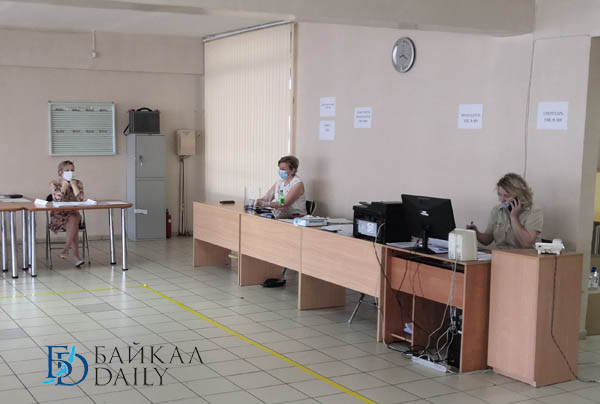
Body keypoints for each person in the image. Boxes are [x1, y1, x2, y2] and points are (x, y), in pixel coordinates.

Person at [467, 172, 543, 249]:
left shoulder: (534, 212)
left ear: (519, 196)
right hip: (500, 254)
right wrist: (476, 233)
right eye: (500, 195)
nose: (502, 200)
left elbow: (526, 244)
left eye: (507, 196)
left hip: (524, 256)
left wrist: (514, 217)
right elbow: (487, 240)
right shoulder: (497, 210)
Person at [50, 160, 85, 266]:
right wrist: (64, 185)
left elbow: (80, 199)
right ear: (60, 172)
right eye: (67, 170)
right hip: (59, 215)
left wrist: (73, 186)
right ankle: (75, 257)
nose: (70, 172)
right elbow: (57, 199)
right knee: (74, 223)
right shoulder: (54, 183)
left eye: (72, 170)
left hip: (73, 213)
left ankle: (66, 249)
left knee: (74, 218)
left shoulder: (78, 183)